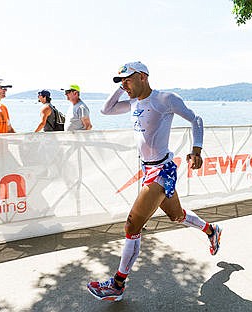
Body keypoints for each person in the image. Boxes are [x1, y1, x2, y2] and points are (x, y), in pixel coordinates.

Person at [87, 61, 222, 302]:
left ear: (142, 77)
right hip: (147, 170)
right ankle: (212, 229)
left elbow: (196, 119)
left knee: (131, 226)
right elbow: (105, 110)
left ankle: (117, 284)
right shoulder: (132, 102)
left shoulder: (164, 99)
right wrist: (121, 85)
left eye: (128, 80)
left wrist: (197, 150)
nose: (125, 85)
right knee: (177, 215)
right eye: (122, 81)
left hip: (163, 170)